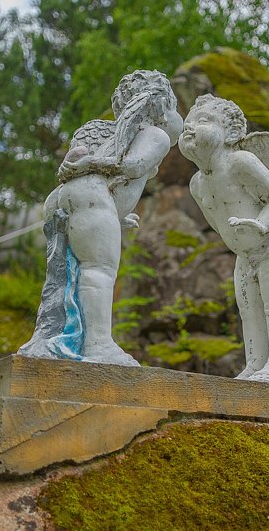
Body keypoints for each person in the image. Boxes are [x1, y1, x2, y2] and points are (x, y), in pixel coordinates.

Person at [18, 70, 183, 366]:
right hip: (91, 193)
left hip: (64, 199)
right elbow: (133, 166)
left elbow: (112, 190)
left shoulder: (122, 136)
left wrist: (115, 217)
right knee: (99, 269)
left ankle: (58, 338)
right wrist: (90, 165)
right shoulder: (155, 134)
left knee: (66, 275)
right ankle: (98, 345)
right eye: (175, 108)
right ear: (162, 107)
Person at [179, 94, 269, 389]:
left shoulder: (240, 162)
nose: (189, 128)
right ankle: (257, 364)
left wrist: (260, 225)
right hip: (246, 256)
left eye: (203, 121)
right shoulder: (197, 184)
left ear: (230, 133)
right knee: (250, 314)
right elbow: (218, 222)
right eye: (188, 123)